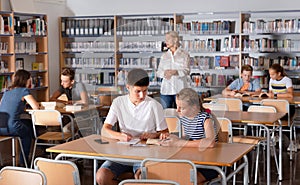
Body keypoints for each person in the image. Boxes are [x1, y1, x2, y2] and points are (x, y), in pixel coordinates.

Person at [96, 68, 169, 185]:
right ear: (128, 87)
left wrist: (154, 135)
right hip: (122, 152)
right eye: (138, 91)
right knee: (101, 176)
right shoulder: (118, 103)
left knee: (142, 177)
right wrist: (120, 136)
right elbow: (104, 131)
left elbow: (165, 134)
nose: (142, 95)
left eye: (145, 91)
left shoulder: (154, 105)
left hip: (146, 154)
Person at [159, 88, 218, 184]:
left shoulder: (206, 119)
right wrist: (172, 137)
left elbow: (210, 143)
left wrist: (179, 143)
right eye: (177, 106)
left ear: (194, 107)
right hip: (191, 160)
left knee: (185, 180)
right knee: (170, 173)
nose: (177, 110)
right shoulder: (183, 118)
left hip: (208, 164)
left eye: (181, 108)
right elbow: (185, 139)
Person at [0, 69, 40, 165]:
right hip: (13, 127)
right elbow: (36, 107)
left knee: (27, 123)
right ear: (26, 80)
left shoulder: (7, 92)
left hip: (1, 127)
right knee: (28, 133)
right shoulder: (24, 91)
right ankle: (24, 162)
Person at [157, 31, 190, 109]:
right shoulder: (164, 56)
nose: (166, 42)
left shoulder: (184, 54)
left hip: (180, 90)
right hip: (166, 90)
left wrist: (176, 72)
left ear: (175, 40)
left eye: (168, 39)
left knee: (181, 113)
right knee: (165, 114)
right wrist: (165, 73)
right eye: (165, 39)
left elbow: (187, 70)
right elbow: (158, 72)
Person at [50, 67, 89, 133]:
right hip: (69, 115)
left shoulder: (79, 86)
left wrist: (72, 102)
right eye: (61, 80)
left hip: (83, 117)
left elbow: (85, 101)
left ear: (72, 81)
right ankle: (63, 142)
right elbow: (52, 99)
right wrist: (65, 102)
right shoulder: (63, 87)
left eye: (65, 81)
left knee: (66, 129)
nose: (62, 83)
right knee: (52, 129)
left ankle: (71, 142)